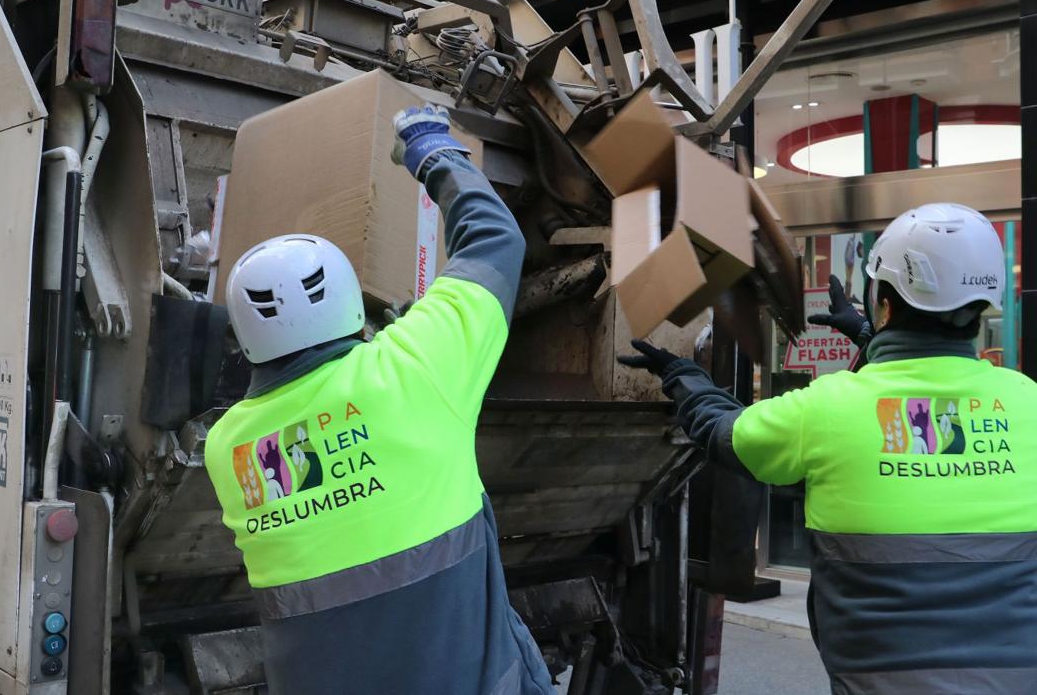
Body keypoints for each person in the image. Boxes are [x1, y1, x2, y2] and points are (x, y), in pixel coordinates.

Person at [204, 105, 552, 695]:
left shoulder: (227, 449)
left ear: (243, 335)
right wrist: (429, 146)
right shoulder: (415, 367)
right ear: (350, 304)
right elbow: (494, 240)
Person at [620, 203, 1037, 694]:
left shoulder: (826, 408)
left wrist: (683, 375)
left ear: (884, 303)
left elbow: (722, 432)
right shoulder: (1026, 401)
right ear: (981, 306)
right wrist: (868, 336)